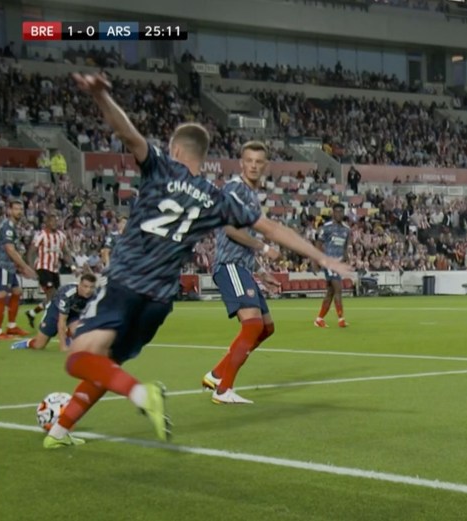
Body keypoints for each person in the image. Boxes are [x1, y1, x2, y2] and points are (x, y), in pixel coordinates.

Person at [42, 72, 351, 450]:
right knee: (107, 364)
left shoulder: (161, 168)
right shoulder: (216, 198)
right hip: (158, 300)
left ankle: (141, 394)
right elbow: (271, 229)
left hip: (125, 279)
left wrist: (101, 96)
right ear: (204, 158)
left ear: (173, 149)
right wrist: (323, 258)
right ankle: (60, 431)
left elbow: (128, 134)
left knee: (77, 357)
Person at [202, 140, 283, 405]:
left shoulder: (250, 197)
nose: (254, 166)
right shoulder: (236, 189)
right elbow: (229, 230)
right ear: (241, 163)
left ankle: (216, 374)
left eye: (259, 162)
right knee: (252, 326)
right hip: (230, 266)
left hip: (243, 267)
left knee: (266, 328)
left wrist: (261, 270)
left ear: (266, 166)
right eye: (249, 160)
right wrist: (264, 247)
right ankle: (223, 390)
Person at [12, 274, 97, 352]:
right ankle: (27, 343)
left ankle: (69, 336)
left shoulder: (95, 296)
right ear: (80, 285)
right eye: (85, 286)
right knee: (39, 345)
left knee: (79, 331)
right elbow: (61, 321)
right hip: (56, 311)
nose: (88, 290)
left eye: (91, 287)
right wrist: (63, 346)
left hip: (74, 313)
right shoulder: (67, 293)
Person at [0, 200, 37, 340]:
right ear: (9, 210)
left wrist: (18, 266)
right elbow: (9, 249)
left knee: (17, 292)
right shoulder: (7, 226)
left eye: (20, 209)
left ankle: (11, 327)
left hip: (9, 266)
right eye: (16, 209)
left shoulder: (13, 226)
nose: (19, 211)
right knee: (1, 295)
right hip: (2, 265)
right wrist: (25, 267)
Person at [26, 214, 72, 328]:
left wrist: (73, 266)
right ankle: (45, 324)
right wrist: (31, 268)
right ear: (47, 223)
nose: (55, 223)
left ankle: (32, 313)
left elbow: (66, 252)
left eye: (56, 221)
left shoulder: (61, 236)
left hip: (54, 270)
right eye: (52, 221)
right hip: (42, 268)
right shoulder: (41, 235)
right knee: (52, 294)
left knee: (55, 297)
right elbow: (31, 252)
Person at [314, 203, 351, 328]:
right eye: (337, 211)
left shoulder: (346, 229)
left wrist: (346, 257)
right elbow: (318, 244)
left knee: (330, 291)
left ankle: (319, 319)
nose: (339, 214)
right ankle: (341, 319)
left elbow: (345, 246)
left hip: (338, 263)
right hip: (329, 262)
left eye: (341, 211)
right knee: (338, 289)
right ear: (333, 213)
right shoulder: (327, 227)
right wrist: (316, 261)